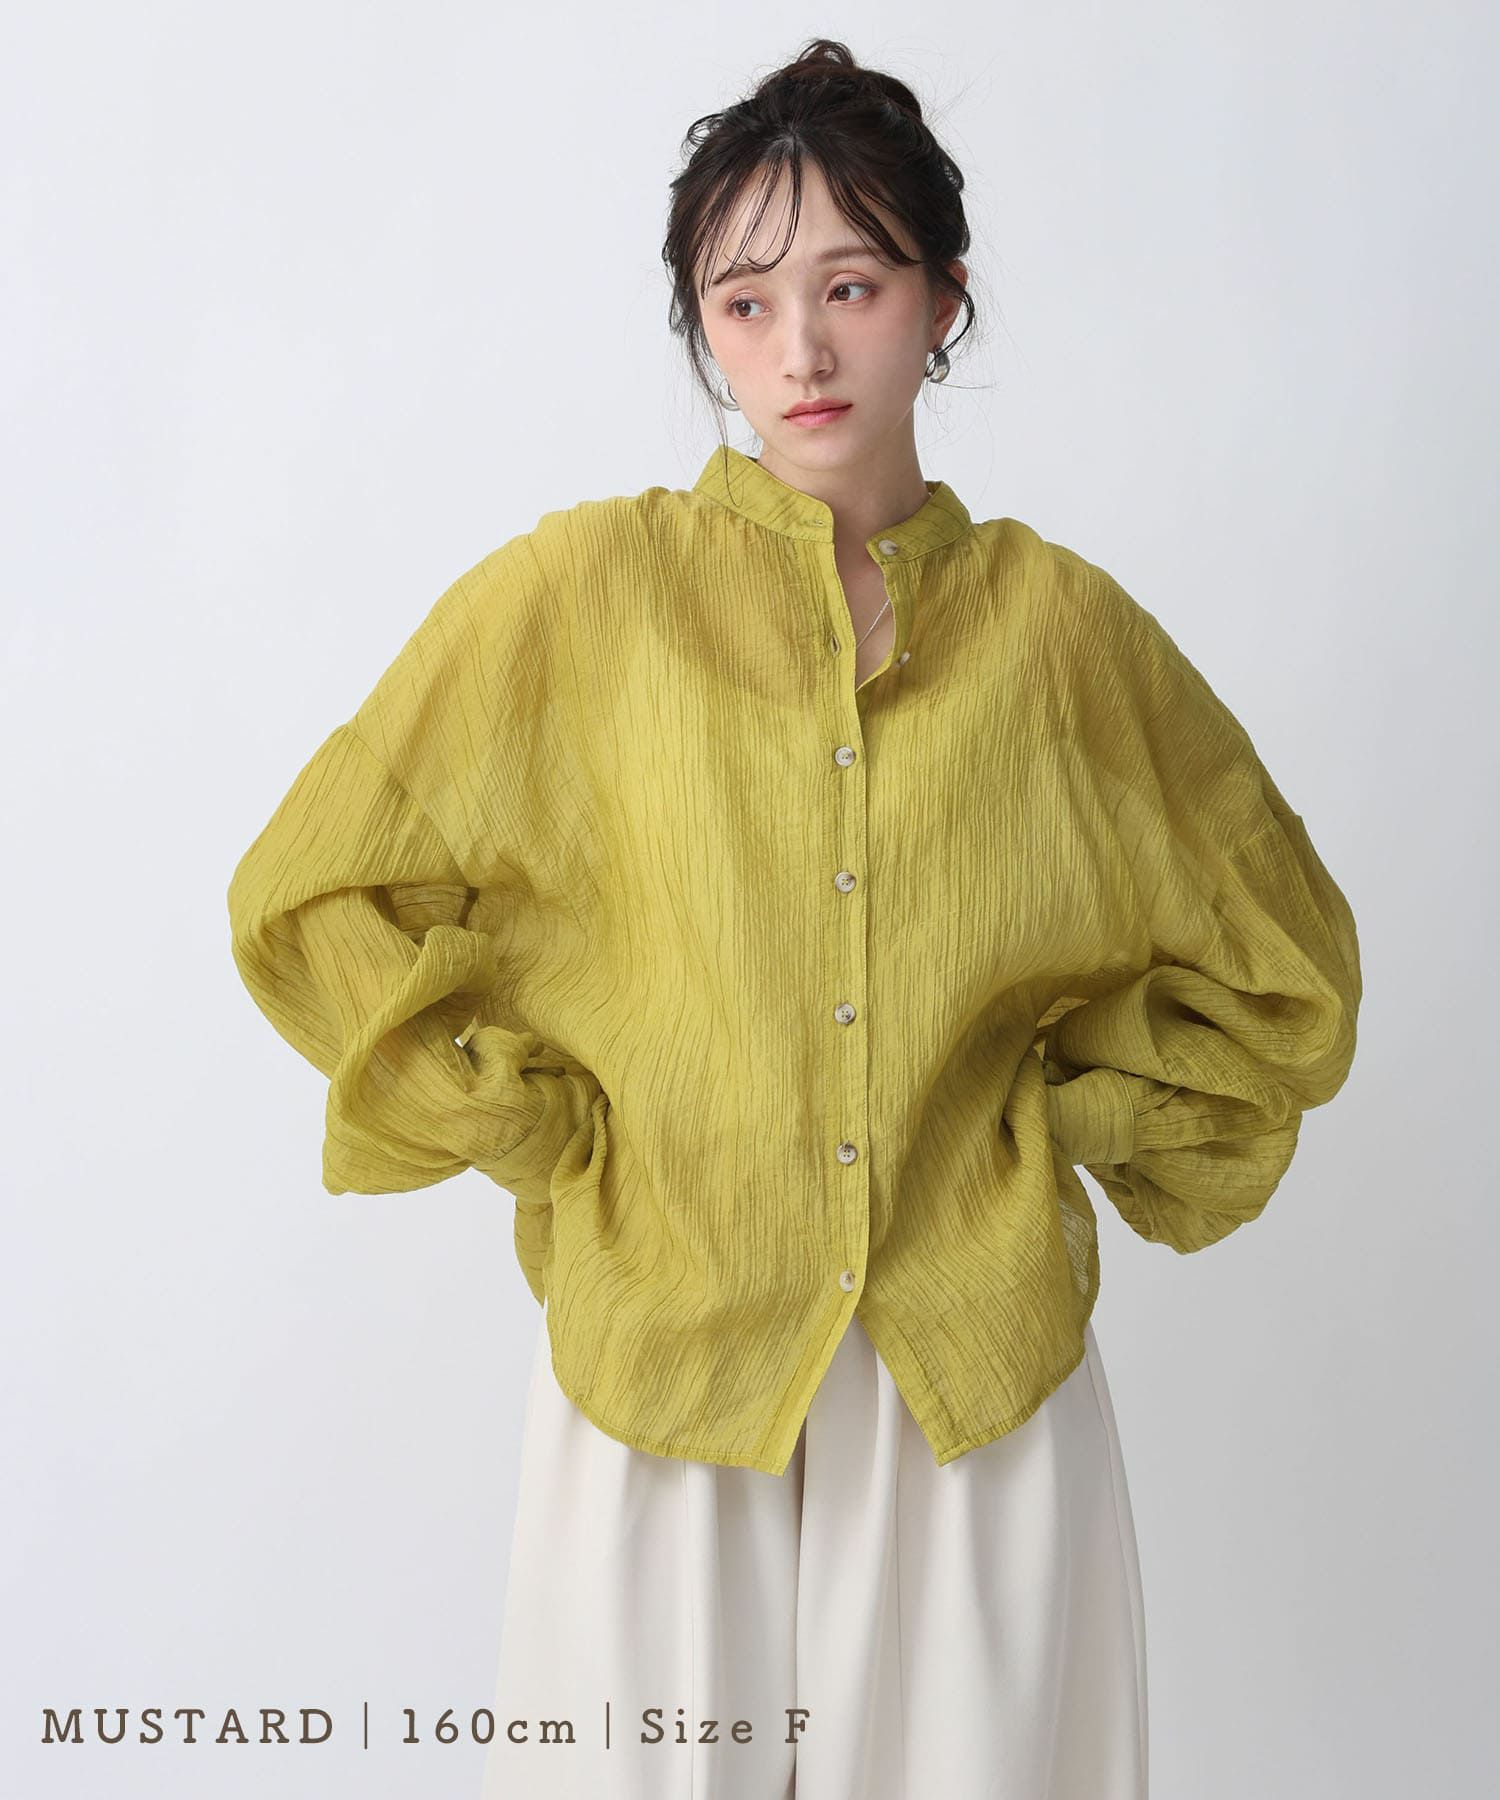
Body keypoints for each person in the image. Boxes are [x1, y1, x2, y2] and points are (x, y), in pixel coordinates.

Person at [226, 37, 1362, 1800]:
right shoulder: (582, 598)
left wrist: (1053, 1114)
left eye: (851, 285)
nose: (801, 352)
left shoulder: (1063, 638)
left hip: (968, 1393)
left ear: (944, 300)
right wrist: (545, 1125)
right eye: (744, 304)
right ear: (702, 328)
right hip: (663, 1376)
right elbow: (314, 887)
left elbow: (1283, 968)